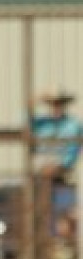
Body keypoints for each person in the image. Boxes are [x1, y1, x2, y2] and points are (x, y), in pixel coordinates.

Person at [31, 89, 82, 223]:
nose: (56, 107)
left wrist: (61, 166)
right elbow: (24, 122)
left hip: (62, 174)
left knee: (64, 211)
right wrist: (34, 101)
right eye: (53, 104)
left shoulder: (73, 125)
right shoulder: (41, 123)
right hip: (42, 171)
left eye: (59, 104)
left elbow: (74, 149)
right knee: (39, 210)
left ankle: (62, 235)